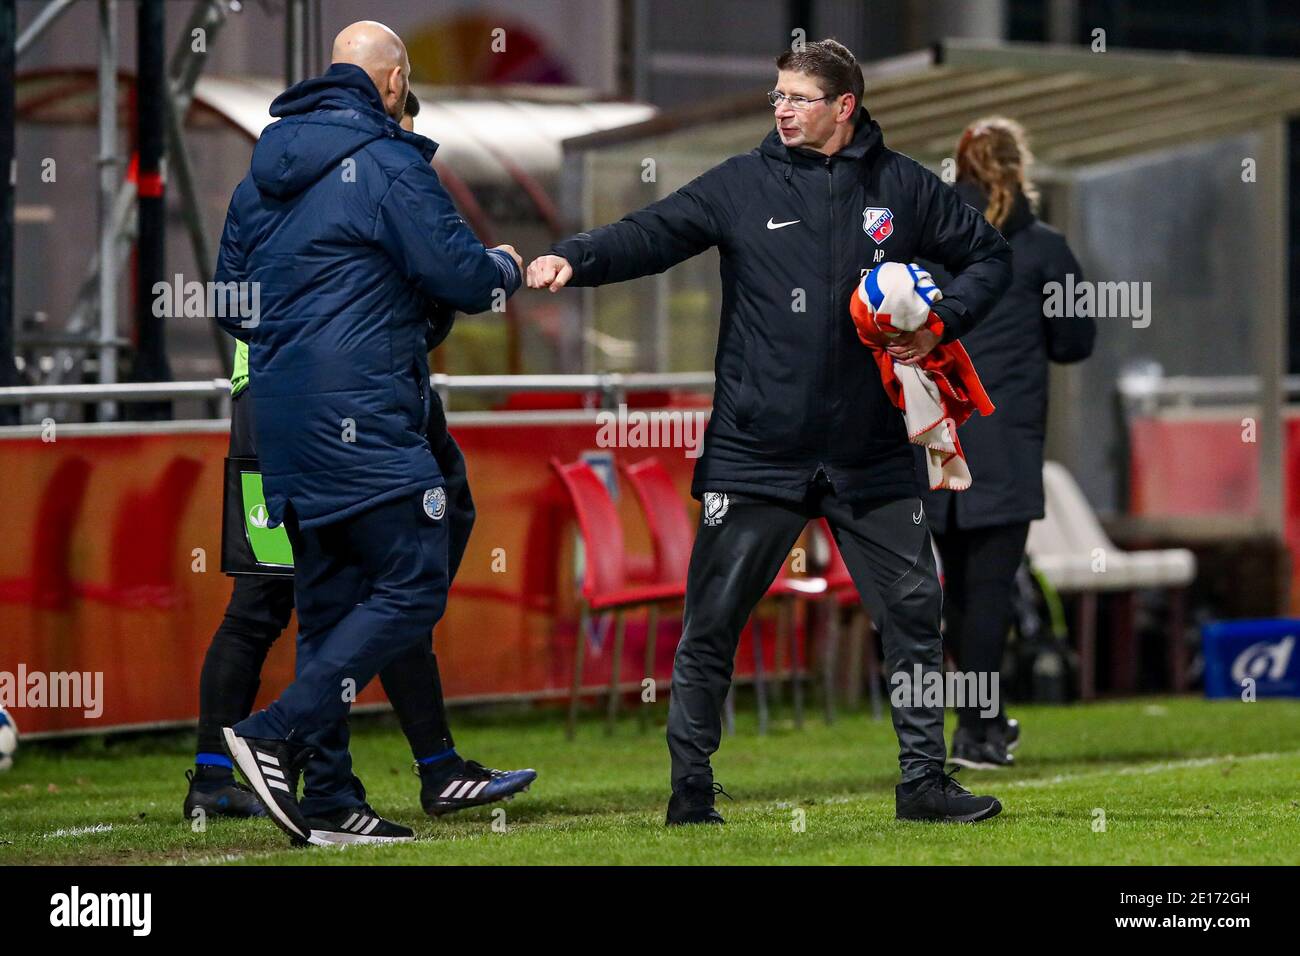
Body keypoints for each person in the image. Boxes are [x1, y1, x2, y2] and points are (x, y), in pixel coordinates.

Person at [528, 39, 1012, 825]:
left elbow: (990, 260)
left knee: (916, 612)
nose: (782, 109)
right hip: (756, 449)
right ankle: (690, 792)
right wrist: (572, 260)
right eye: (777, 97)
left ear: (843, 107)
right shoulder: (740, 185)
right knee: (713, 619)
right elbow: (651, 233)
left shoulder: (906, 189)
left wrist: (942, 324)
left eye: (798, 98)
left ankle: (924, 783)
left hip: (871, 450)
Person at [183, 89, 535, 826]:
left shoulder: (267, 179)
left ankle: (343, 794)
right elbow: (456, 278)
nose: (408, 134)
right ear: (388, 99)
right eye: (405, 119)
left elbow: (234, 301)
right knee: (305, 596)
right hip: (346, 410)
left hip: (288, 410)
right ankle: (237, 759)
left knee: (330, 599)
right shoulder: (382, 168)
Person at [922, 117, 1095, 770]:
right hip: (1007, 440)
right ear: (1021, 169)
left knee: (960, 591)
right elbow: (1075, 344)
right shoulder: (1045, 247)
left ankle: (982, 721)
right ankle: (979, 735)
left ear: (958, 168)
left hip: (937, 436)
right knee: (990, 589)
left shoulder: (929, 243)